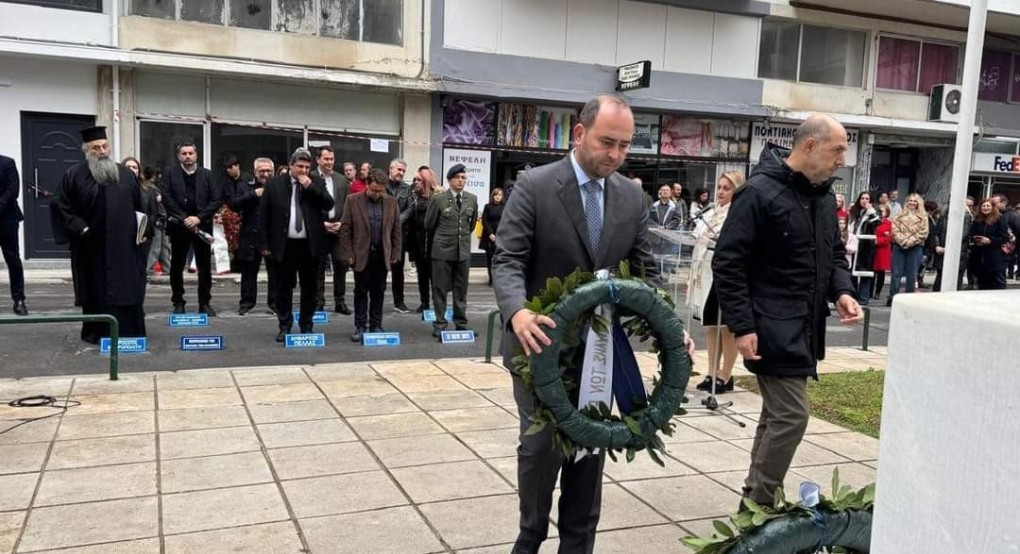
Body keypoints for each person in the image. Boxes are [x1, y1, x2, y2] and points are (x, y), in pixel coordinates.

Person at [492, 95, 692, 554]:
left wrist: (669, 326)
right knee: (541, 449)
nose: (616, 155)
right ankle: (530, 536)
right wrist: (517, 311)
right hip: (538, 347)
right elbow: (508, 259)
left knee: (590, 450)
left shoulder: (631, 196)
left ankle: (578, 544)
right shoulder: (535, 186)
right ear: (580, 134)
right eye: (608, 142)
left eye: (624, 146)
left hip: (600, 353)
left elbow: (645, 274)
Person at [712, 114, 862, 510]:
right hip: (769, 326)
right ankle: (759, 504)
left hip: (806, 327)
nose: (842, 160)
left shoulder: (824, 197)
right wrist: (742, 326)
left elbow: (832, 256)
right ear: (809, 146)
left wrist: (843, 291)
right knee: (791, 415)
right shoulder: (759, 193)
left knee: (776, 415)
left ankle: (756, 496)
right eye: (838, 149)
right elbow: (729, 263)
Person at [54, 126, 151, 343]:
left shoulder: (125, 174)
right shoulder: (74, 175)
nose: (102, 151)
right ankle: (98, 334)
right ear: (87, 150)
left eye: (105, 146)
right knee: (96, 290)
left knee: (127, 289)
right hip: (92, 247)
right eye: (96, 148)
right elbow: (61, 205)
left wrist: (143, 232)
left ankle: (128, 334)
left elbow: (141, 208)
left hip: (125, 246)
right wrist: (81, 227)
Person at [259, 148, 334, 342]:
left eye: (307, 167)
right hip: (284, 244)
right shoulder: (275, 184)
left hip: (309, 245)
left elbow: (328, 204)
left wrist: (311, 187)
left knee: (310, 288)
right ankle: (284, 325)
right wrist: (264, 243)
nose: (303, 170)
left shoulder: (316, 182)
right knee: (283, 288)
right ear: (291, 165)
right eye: (300, 166)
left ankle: (306, 325)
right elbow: (264, 215)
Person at [688, 171, 745, 393]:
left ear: (737, 191)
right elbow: (696, 234)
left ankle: (726, 375)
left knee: (727, 328)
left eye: (726, 188)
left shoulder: (738, 213)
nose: (720, 192)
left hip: (726, 276)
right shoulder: (711, 211)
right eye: (719, 187)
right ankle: (711, 372)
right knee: (711, 326)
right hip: (704, 272)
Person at [160, 141, 222, 316]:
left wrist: (198, 218)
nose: (187, 157)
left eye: (190, 153)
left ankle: (205, 303)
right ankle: (178, 302)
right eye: (184, 154)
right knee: (177, 266)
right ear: (178, 156)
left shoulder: (207, 175)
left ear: (196, 155)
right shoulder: (170, 174)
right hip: (179, 227)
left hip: (202, 226)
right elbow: (166, 197)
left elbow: (216, 199)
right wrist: (183, 218)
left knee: (204, 267)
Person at [340, 168, 401, 343]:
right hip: (361, 254)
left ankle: (376, 324)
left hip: (382, 254)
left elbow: (396, 230)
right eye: (374, 189)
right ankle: (360, 326)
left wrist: (395, 252)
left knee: (379, 291)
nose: (377, 193)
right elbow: (345, 229)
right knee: (360, 291)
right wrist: (349, 254)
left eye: (380, 190)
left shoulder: (391, 202)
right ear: (367, 184)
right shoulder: (353, 201)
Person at [426, 163, 479, 338]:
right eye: (457, 177)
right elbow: (429, 224)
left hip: (462, 251)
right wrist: (442, 240)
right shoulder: (439, 199)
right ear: (449, 180)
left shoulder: (471, 199)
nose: (461, 181)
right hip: (441, 250)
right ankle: (440, 323)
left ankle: (461, 323)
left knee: (461, 290)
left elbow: (470, 226)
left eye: (463, 178)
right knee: (440, 288)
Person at [230, 158, 276, 315]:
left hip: (273, 237)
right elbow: (234, 204)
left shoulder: (279, 186)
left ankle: (275, 303)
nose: (265, 174)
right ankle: (246, 303)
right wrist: (253, 194)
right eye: (262, 171)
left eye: (268, 170)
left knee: (275, 272)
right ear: (255, 171)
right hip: (251, 235)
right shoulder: (245, 186)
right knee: (249, 272)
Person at [312, 146, 351, 315]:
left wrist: (342, 223)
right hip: (319, 229)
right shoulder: (310, 178)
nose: (329, 162)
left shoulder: (341, 180)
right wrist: (322, 223)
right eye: (326, 159)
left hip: (338, 228)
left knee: (341, 264)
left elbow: (347, 204)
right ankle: (318, 301)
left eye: (332, 159)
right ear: (318, 160)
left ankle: (340, 301)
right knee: (318, 266)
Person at [887, 193, 928, 305]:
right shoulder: (899, 215)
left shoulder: (923, 217)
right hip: (899, 246)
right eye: (910, 200)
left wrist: (909, 242)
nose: (912, 203)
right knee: (896, 273)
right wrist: (903, 241)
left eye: (915, 201)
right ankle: (892, 297)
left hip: (915, 247)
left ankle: (909, 298)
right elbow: (894, 230)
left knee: (911, 273)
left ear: (918, 203)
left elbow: (923, 233)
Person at [408, 167, 439, 312]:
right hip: (418, 241)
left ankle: (437, 304)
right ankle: (424, 302)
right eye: (414, 180)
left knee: (436, 278)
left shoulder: (438, 196)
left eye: (418, 179)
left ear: (426, 181)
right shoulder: (413, 196)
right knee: (422, 275)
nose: (415, 182)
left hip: (435, 243)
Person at [0, 154, 28, 315]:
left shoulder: (7, 163)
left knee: (12, 259)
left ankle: (19, 300)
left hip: (7, 219)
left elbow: (13, 190)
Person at [386, 159, 412, 314]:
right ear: (391, 168)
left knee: (398, 270)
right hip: (380, 233)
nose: (401, 173)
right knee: (378, 268)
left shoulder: (406, 189)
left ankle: (399, 301)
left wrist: (397, 221)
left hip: (399, 235)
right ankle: (376, 300)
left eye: (403, 170)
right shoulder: (382, 185)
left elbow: (410, 208)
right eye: (399, 169)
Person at [968, 197, 1011, 290]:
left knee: (994, 285)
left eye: (988, 206)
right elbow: (972, 234)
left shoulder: (999, 219)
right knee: (981, 284)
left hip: (993, 257)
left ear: (992, 207)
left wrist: (990, 240)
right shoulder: (977, 220)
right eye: (983, 206)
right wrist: (976, 240)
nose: (985, 208)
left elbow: (1004, 238)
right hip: (979, 256)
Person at [847, 191, 879, 306]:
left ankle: (864, 299)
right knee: (852, 273)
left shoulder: (873, 213)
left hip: (866, 246)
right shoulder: (854, 212)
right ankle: (853, 297)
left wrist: (871, 212)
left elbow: (876, 224)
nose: (864, 200)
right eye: (862, 198)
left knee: (865, 273)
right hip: (853, 244)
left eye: (867, 198)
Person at [140, 167, 170, 276]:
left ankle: (166, 268)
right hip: (158, 220)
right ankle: (148, 269)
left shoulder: (152, 188)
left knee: (163, 246)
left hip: (161, 220)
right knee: (157, 246)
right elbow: (156, 206)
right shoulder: (150, 189)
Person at [479, 186, 505, 286]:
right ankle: (491, 279)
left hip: (501, 235)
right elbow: (484, 221)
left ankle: (500, 279)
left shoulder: (505, 206)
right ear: (492, 196)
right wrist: (490, 233)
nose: (498, 197)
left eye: (500, 195)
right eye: (496, 195)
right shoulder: (487, 206)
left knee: (500, 259)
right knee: (490, 259)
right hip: (489, 236)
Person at [872, 204, 892, 301]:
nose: (881, 213)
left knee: (880, 272)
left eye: (883, 211)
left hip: (882, 250)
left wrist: (877, 241)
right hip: (872, 249)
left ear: (887, 212)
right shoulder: (874, 222)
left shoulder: (888, 223)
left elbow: (889, 237)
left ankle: (877, 292)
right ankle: (869, 292)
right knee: (871, 272)